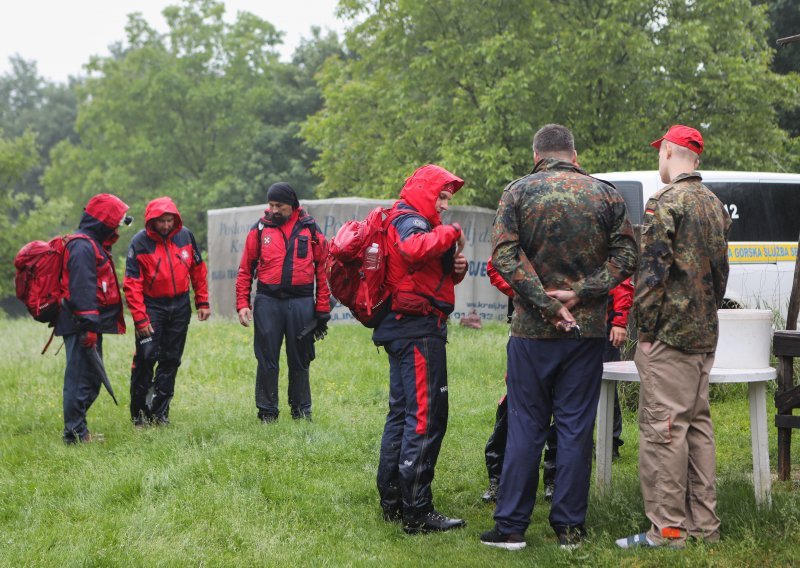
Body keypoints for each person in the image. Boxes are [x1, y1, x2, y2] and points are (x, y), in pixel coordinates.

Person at [480, 124, 637, 550]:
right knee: (574, 427)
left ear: (537, 155)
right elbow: (627, 255)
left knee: (526, 424)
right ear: (574, 154)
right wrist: (581, 292)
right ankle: (570, 529)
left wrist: (547, 305)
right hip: (586, 334)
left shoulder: (517, 192)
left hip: (532, 333)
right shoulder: (605, 194)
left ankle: (511, 527)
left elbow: (504, 256)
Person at [616, 125, 730, 550]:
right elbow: (721, 275)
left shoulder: (665, 202)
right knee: (697, 428)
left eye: (659, 154)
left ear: (668, 152)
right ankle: (704, 528)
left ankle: (666, 532)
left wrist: (643, 331)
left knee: (663, 431)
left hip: (668, 339)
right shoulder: (714, 205)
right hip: (703, 337)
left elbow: (650, 275)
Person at [374, 164, 468, 535]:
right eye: (441, 196)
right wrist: (450, 234)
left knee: (402, 413)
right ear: (425, 192)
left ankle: (393, 502)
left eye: (448, 199)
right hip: (416, 331)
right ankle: (417, 511)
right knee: (426, 417)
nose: (445, 205)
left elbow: (420, 273)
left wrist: (455, 267)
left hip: (404, 327)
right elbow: (413, 251)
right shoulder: (411, 221)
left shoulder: (406, 217)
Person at [235, 182, 330, 422]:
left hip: (301, 302)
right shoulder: (259, 229)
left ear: (293, 205)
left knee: (300, 358)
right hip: (268, 301)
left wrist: (321, 308)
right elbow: (246, 269)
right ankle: (267, 412)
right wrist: (242, 303)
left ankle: (301, 411)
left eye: (280, 206)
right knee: (267, 359)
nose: (274, 210)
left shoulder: (310, 229)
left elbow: (324, 269)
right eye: (271, 205)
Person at [540, 276, 634, 500]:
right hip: (554, 325)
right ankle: (553, 467)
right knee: (559, 395)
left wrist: (619, 321)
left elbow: (620, 279)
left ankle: (609, 441)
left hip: (598, 326)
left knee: (604, 386)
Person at [123, 197, 210, 427]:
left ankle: (160, 413)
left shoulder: (186, 236)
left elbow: (198, 270)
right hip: (152, 307)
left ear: (175, 219)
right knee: (145, 358)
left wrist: (202, 301)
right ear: (151, 220)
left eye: (169, 220)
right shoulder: (139, 243)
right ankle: (139, 414)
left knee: (171, 359)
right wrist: (140, 318)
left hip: (180, 305)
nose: (165, 225)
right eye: (160, 221)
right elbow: (132, 284)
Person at [55, 193, 132, 444]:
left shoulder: (91, 244)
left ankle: (79, 430)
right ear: (104, 221)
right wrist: (88, 326)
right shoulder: (82, 246)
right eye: (116, 220)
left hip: (86, 325)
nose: (118, 226)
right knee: (80, 380)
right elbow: (82, 289)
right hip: (80, 325)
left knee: (92, 379)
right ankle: (74, 435)